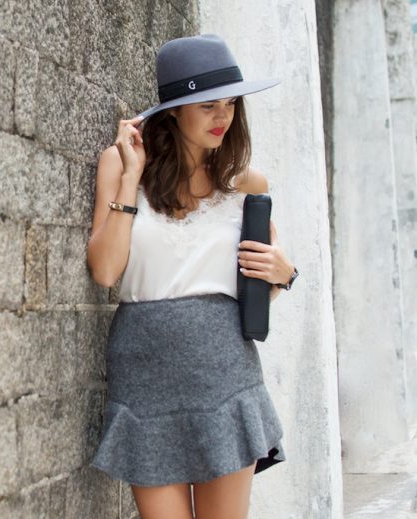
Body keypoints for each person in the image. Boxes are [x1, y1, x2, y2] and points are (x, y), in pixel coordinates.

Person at [87, 34, 298, 519]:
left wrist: (283, 275)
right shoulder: (121, 164)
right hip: (144, 372)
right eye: (207, 105)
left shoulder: (247, 184)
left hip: (225, 372)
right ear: (174, 111)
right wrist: (131, 177)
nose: (223, 117)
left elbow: (258, 284)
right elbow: (105, 270)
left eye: (230, 104)